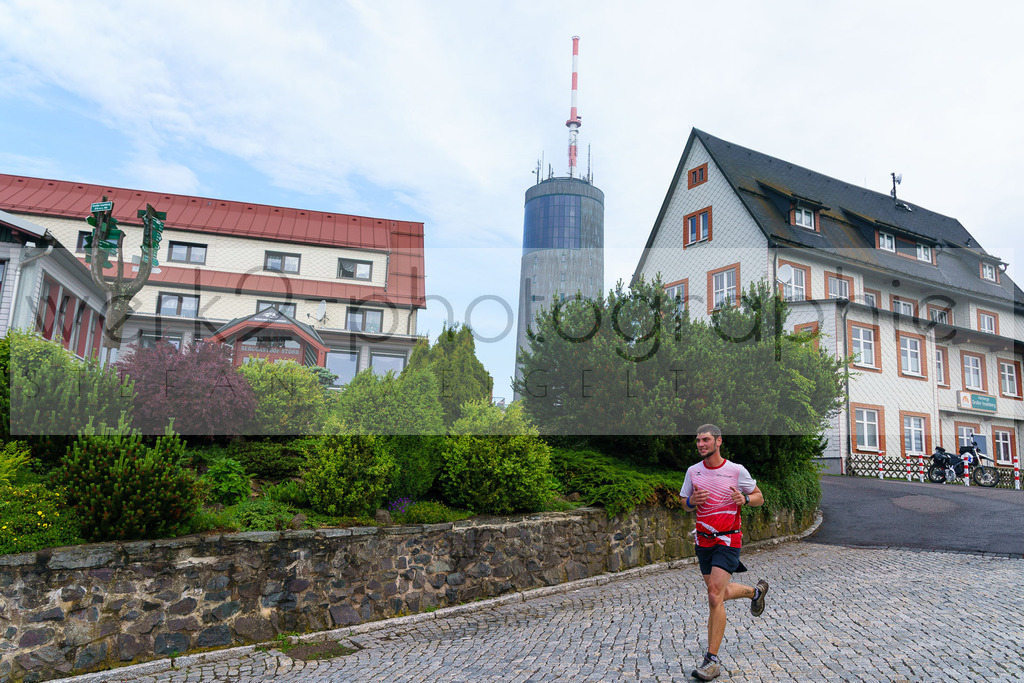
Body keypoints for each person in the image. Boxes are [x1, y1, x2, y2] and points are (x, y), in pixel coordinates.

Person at [679, 424, 768, 681]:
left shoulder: (736, 470)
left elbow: (759, 496)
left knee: (714, 596)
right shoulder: (693, 471)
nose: (700, 444)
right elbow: (682, 501)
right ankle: (756, 592)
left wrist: (745, 499)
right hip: (703, 540)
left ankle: (711, 660)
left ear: (718, 441)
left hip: (728, 539)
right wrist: (690, 502)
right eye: (697, 440)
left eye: (705, 440)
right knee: (717, 593)